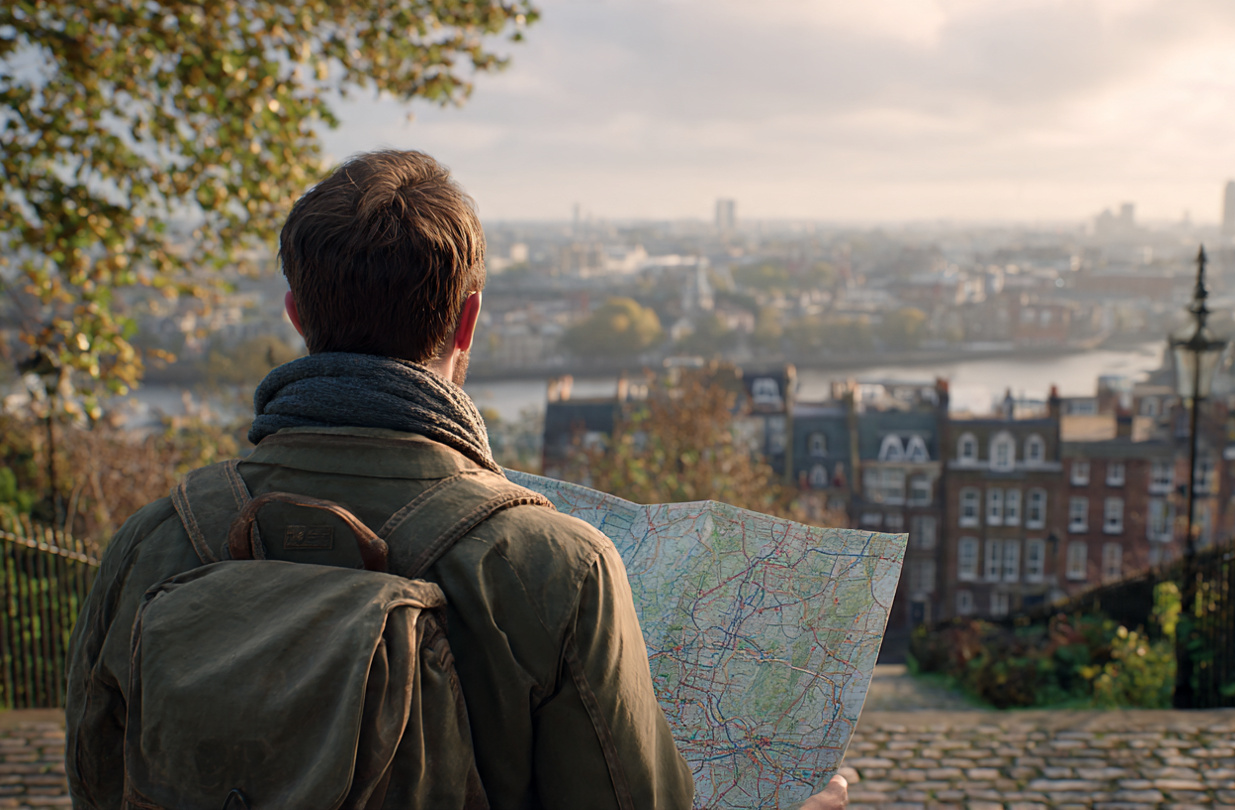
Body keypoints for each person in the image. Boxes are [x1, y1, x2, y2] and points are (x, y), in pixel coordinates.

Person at [65, 149, 848, 810]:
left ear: (296, 314)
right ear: (468, 320)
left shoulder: (155, 541)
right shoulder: (556, 566)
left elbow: (98, 784)